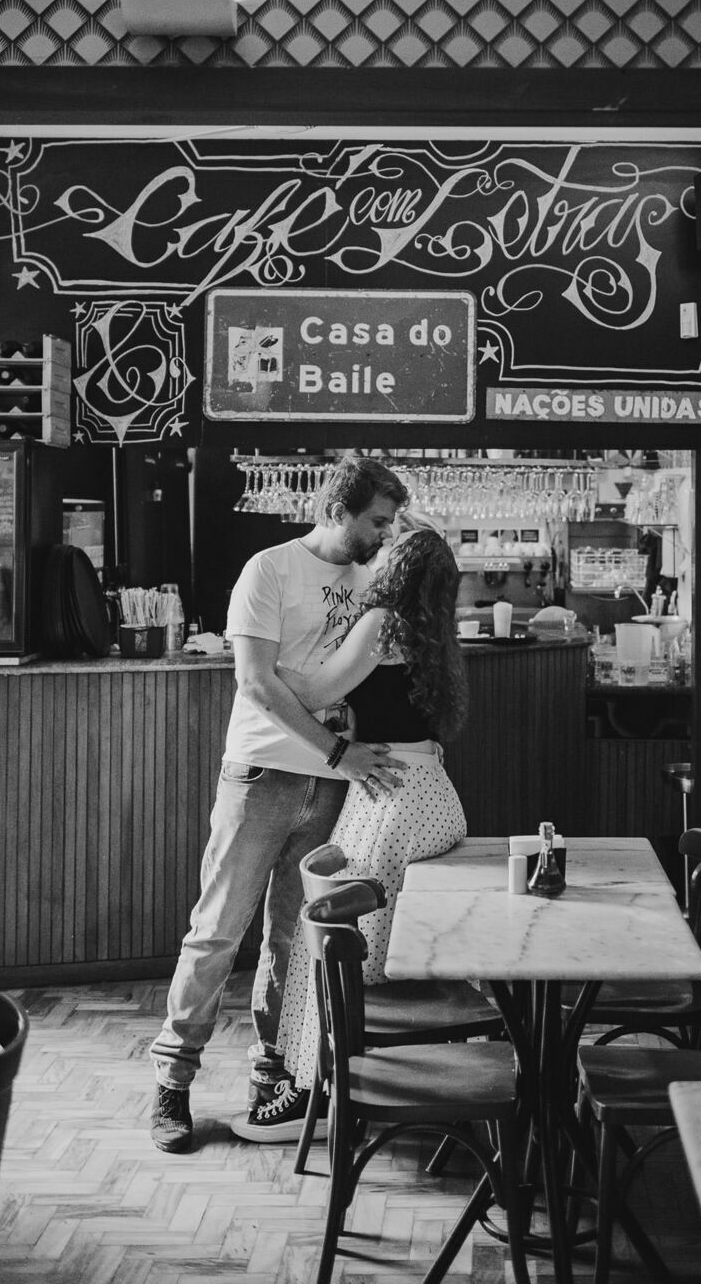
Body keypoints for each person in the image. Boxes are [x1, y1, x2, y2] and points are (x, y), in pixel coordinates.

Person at [148, 454, 410, 1154]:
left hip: (329, 784)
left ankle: (275, 1074)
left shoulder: (371, 579)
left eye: (390, 524)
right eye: (376, 521)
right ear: (338, 511)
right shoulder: (269, 569)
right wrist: (334, 746)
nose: (384, 535)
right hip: (263, 773)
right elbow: (257, 684)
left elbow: (337, 678)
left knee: (293, 940)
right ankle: (172, 1081)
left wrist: (330, 717)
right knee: (217, 931)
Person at [229, 525, 470, 1142]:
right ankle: (413, 1076)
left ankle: (321, 1089)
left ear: (400, 565)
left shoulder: (383, 621)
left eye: (392, 542)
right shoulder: (431, 630)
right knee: (397, 947)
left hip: (386, 798)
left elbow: (310, 691)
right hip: (431, 792)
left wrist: (259, 656)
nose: (380, 543)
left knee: (344, 950)